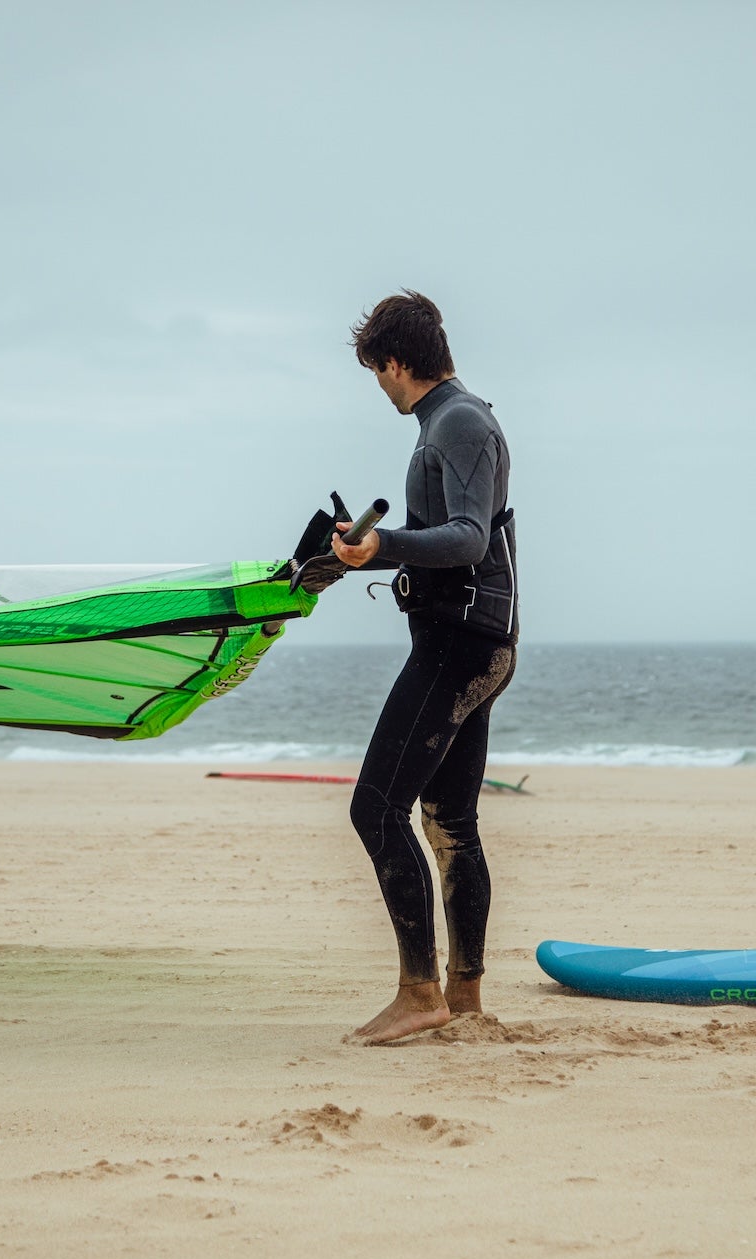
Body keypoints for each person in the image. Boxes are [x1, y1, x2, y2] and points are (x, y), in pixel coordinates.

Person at [330, 291, 519, 1045]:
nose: (378, 384)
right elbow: (447, 536)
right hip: (472, 639)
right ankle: (463, 994)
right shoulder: (451, 421)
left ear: (397, 363)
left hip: (462, 643)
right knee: (447, 818)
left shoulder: (460, 421)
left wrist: (387, 547)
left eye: (377, 369)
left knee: (375, 809)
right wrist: (359, 551)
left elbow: (470, 539)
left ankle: (420, 992)